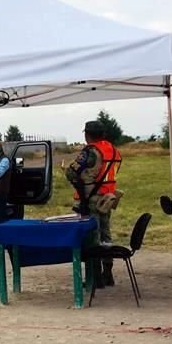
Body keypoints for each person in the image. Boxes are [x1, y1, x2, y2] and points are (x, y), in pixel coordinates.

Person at [65, 120, 123, 287]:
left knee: (92, 237)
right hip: (108, 197)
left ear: (87, 135)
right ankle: (108, 273)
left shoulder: (91, 151)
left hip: (91, 199)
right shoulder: (113, 150)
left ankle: (95, 276)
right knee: (106, 236)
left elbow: (72, 172)